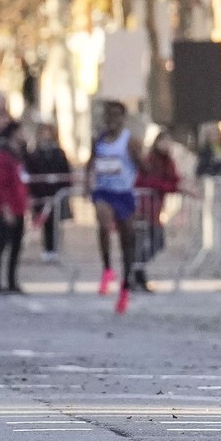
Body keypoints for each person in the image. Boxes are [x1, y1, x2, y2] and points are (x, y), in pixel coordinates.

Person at [85, 101, 144, 314]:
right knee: (102, 221)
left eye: (116, 116)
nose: (112, 120)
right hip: (104, 191)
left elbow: (142, 165)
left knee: (127, 239)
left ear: (123, 118)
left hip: (124, 193)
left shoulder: (130, 141)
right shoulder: (98, 139)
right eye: (108, 116)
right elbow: (90, 163)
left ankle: (125, 286)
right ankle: (107, 269)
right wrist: (86, 184)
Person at [133, 130, 181, 292]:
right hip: (145, 207)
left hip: (156, 208)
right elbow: (149, 182)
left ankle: (137, 271)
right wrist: (170, 186)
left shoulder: (168, 161)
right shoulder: (150, 160)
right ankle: (136, 272)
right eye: (164, 142)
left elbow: (174, 178)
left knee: (156, 242)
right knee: (149, 241)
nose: (167, 145)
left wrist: (175, 185)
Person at [0, 121, 28, 294]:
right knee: (1, 246)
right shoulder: (2, 155)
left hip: (19, 206)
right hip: (7, 208)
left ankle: (12, 280)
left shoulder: (17, 153)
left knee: (16, 246)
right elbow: (0, 184)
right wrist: (5, 208)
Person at [25, 123, 72, 263]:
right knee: (44, 221)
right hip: (41, 193)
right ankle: (47, 249)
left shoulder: (59, 153)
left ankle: (55, 248)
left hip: (57, 193)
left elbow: (66, 171)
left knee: (56, 222)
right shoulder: (35, 154)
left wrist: (64, 188)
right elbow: (31, 172)